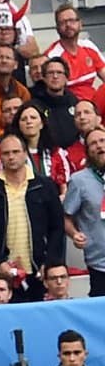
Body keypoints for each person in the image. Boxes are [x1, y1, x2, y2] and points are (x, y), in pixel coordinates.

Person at [0, 133, 66, 303]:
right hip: (4, 275)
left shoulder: (45, 185)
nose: (11, 157)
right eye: (6, 153)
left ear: (25, 154)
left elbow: (57, 228)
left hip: (39, 271)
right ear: (0, 156)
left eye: (16, 151)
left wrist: (49, 262)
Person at [64, 127, 105, 296]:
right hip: (99, 264)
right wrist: (75, 235)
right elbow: (66, 217)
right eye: (93, 144)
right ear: (88, 151)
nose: (99, 146)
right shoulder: (78, 181)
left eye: (102, 141)